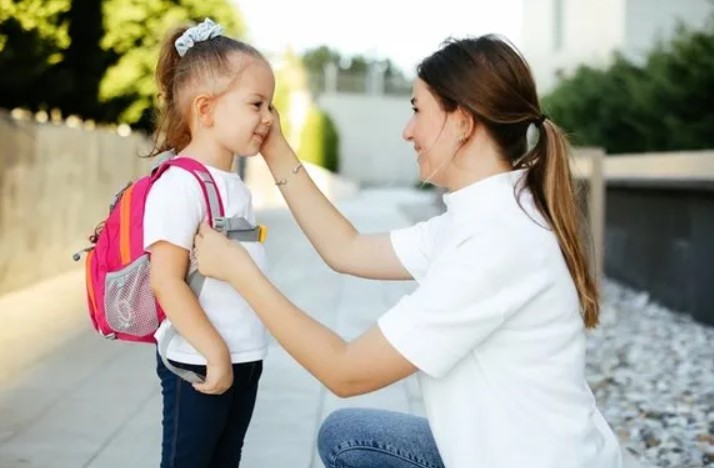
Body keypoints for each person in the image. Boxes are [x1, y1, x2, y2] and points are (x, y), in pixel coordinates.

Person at [193, 35, 623, 468]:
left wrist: (241, 272)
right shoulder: (485, 214)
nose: (407, 130)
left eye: (417, 110)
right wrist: (274, 146)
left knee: (349, 437)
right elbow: (348, 249)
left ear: (462, 122)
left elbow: (346, 371)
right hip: (512, 450)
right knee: (349, 437)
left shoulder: (496, 243)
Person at [144, 18, 273, 468]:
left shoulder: (234, 183)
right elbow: (166, 281)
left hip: (243, 357)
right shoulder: (178, 184)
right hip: (196, 360)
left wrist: (240, 354)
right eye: (257, 104)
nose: (268, 118)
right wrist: (215, 352)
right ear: (206, 110)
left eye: (270, 106)